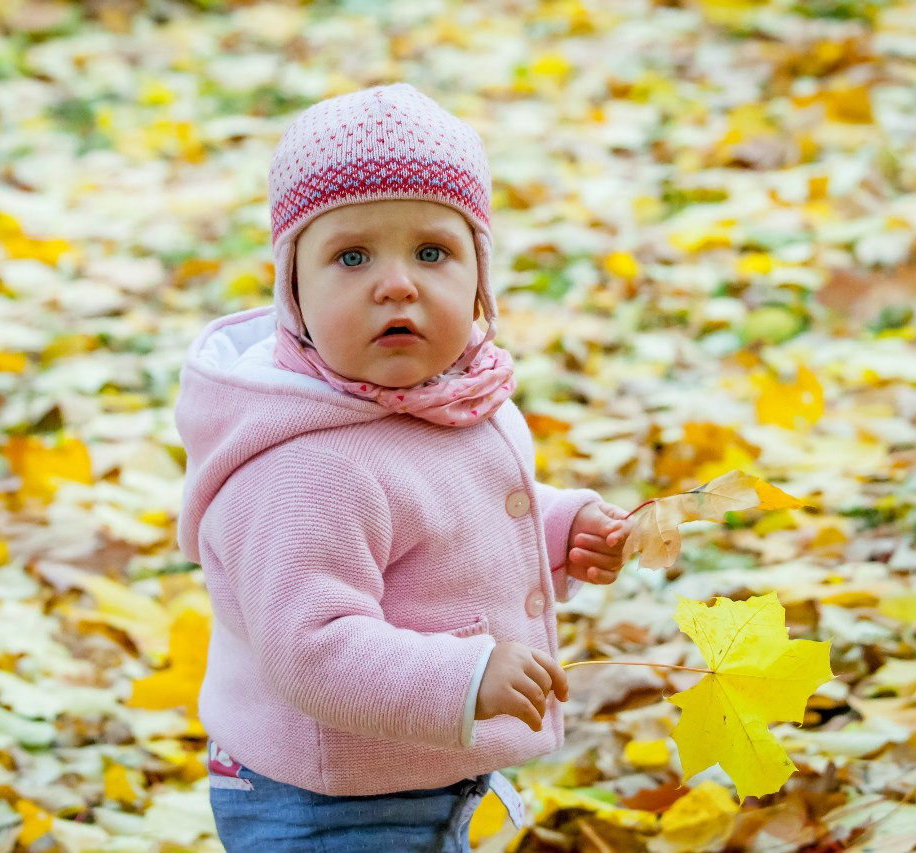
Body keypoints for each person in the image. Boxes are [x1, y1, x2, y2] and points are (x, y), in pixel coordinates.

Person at [173, 82, 634, 852]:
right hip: (330, 803)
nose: (397, 282)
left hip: (425, 767)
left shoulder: (451, 397)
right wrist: (464, 677)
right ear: (293, 289)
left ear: (480, 278)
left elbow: (452, 515)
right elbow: (312, 644)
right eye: (351, 256)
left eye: (433, 251)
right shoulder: (305, 464)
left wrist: (559, 530)